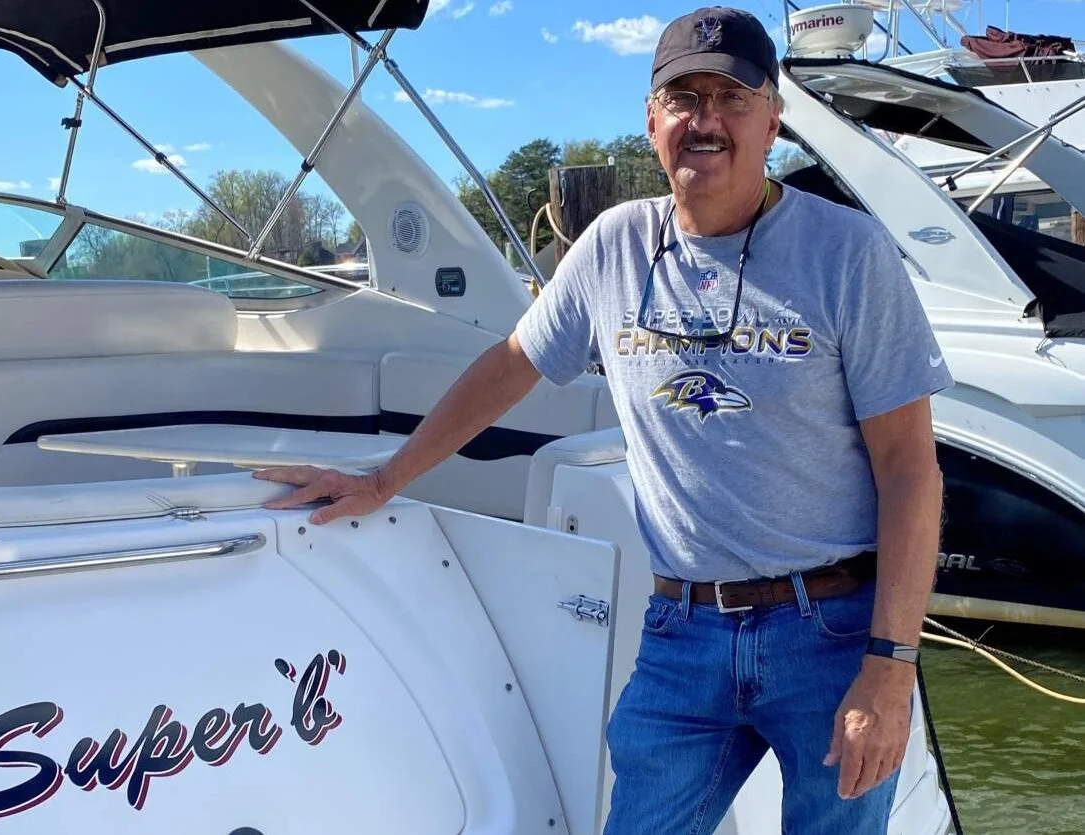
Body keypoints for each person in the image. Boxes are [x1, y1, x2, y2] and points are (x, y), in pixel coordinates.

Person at [254, 6, 952, 833]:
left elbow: (909, 465)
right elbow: (510, 364)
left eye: (731, 97)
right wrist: (383, 477)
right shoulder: (613, 244)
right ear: (652, 120)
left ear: (774, 118)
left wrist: (889, 663)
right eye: (683, 97)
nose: (705, 120)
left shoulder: (848, 253)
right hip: (681, 631)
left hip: (830, 630)